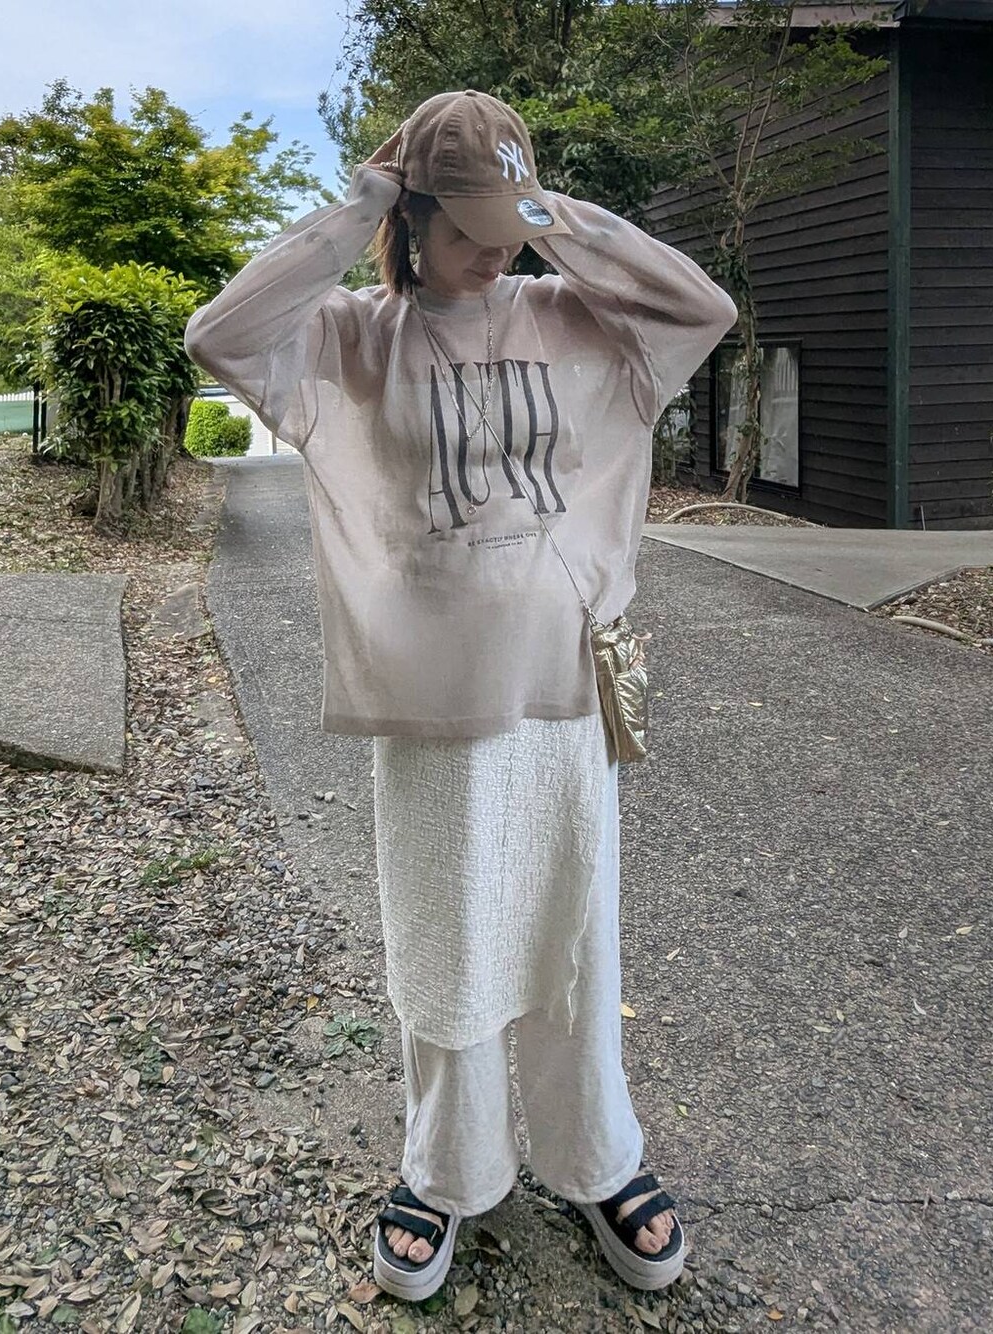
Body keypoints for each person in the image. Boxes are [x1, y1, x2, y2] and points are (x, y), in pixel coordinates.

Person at [184, 89, 738, 1304]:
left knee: (575, 933)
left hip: (564, 685)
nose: (494, 253)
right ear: (414, 219)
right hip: (431, 700)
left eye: (507, 228)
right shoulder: (352, 339)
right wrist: (359, 205)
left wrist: (549, 214)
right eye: (469, 229)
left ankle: (599, 1158)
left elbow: (704, 309)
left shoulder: (568, 316)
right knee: (446, 935)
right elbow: (221, 333)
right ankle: (444, 1167)